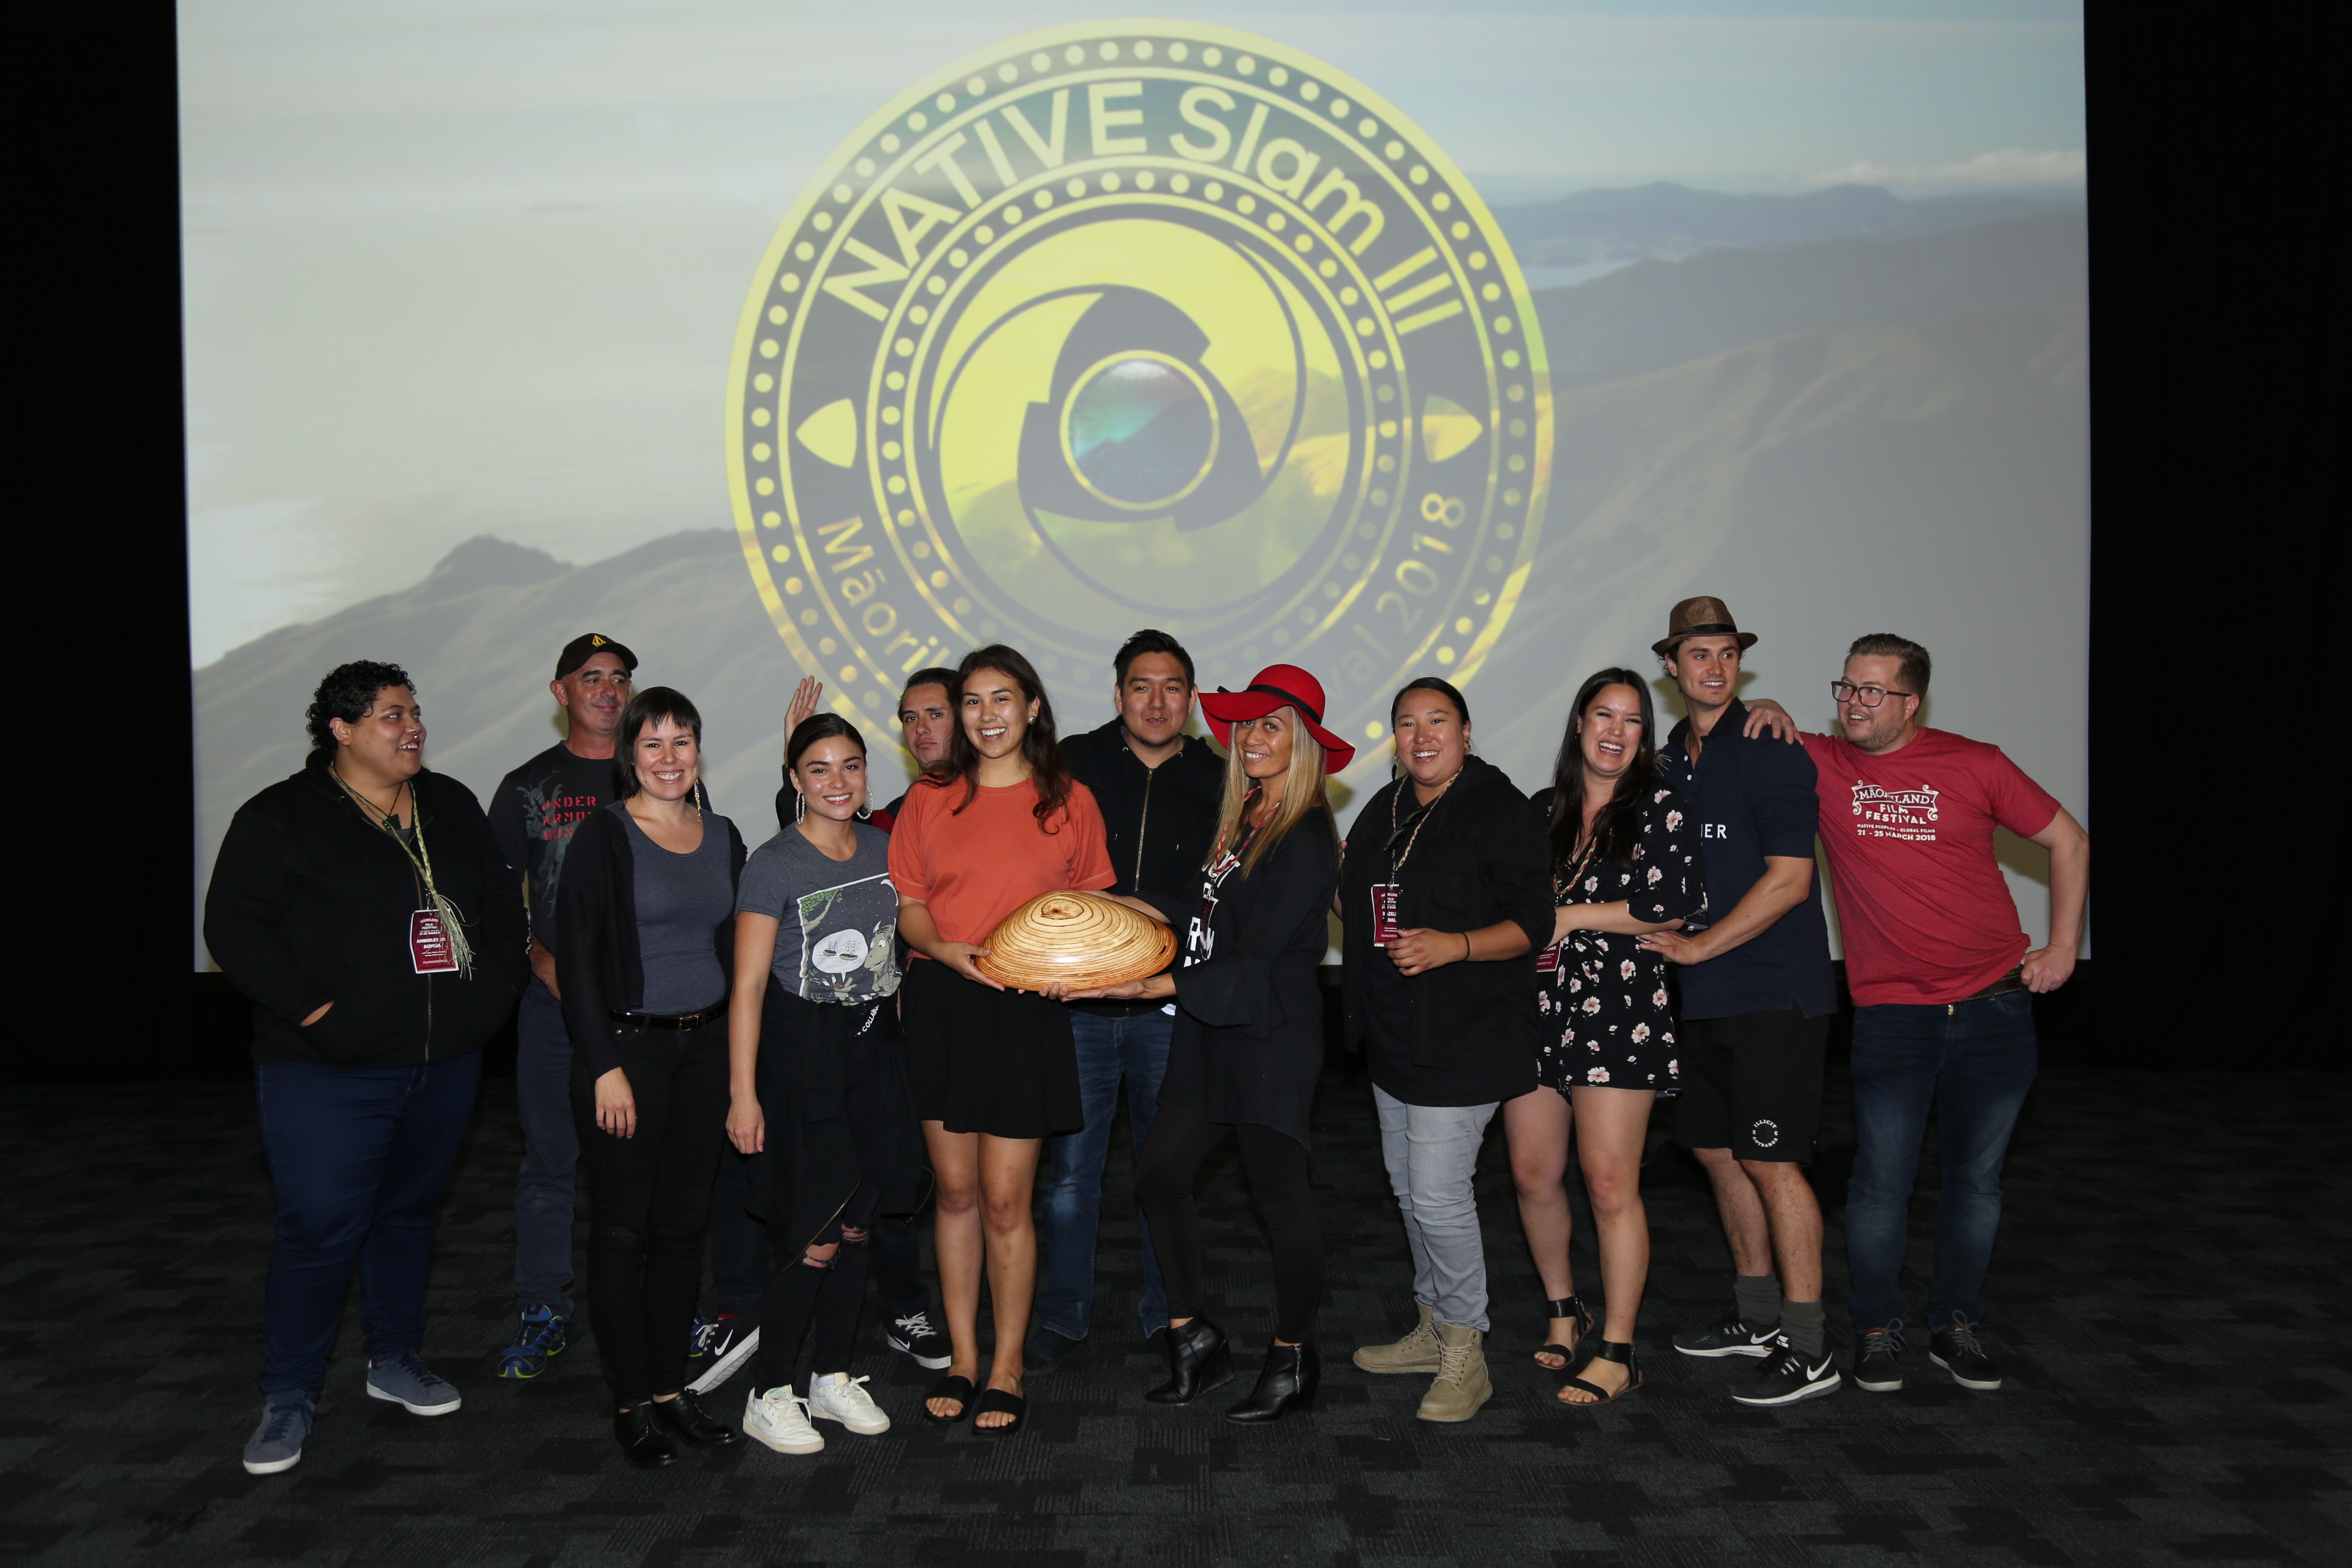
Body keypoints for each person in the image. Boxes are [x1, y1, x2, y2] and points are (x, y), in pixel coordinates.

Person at [206, 661, 526, 1476]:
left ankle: (394, 1361)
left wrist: (485, 1006)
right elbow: (234, 926)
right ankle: (288, 1395)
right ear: (341, 732)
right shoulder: (281, 817)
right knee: (318, 1230)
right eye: (391, 715)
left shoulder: (448, 802)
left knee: (408, 1218)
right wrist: (319, 1015)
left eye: (415, 712)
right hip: (326, 1071)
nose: (412, 726)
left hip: (443, 1064)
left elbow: (495, 904)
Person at [1761, 635, 2088, 1394]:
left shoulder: (1976, 763)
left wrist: (2064, 945)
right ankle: (1876, 1329)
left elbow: (2068, 841)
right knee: (1880, 1183)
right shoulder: (1821, 762)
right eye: (1846, 687)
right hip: (1894, 1015)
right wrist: (1765, 708)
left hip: (1994, 1006)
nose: (1854, 702)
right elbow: (1743, 732)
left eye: (1873, 692)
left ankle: (1956, 1323)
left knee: (1976, 1180)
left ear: (1913, 702)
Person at [1070, 664, 1347, 1422]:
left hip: (1268, 1038)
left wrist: (1151, 986)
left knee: (1281, 1202)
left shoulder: (1308, 835)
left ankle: (1293, 1353)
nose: (1253, 738)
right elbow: (1206, 913)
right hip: (1209, 1029)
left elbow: (1254, 956)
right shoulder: (1246, 812)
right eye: (1247, 724)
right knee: (1159, 1176)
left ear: (1304, 744)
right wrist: (1132, 904)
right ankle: (1193, 1336)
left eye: (1272, 725)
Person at [888, 646, 1117, 1434]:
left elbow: (1094, 907)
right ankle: (961, 1355)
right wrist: (946, 950)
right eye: (973, 701)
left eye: (1002, 699)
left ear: (1033, 708)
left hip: (1026, 1011)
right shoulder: (929, 799)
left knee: (1006, 1197)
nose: (987, 716)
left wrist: (1073, 970)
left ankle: (1009, 1363)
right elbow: (910, 907)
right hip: (944, 1000)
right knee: (952, 1194)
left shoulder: (1069, 799)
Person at [707, 672, 953, 1384]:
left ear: (868, 773)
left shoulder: (887, 852)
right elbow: (749, 986)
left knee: (856, 1228)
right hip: (800, 1064)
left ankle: (833, 1377)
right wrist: (743, 1095)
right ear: (795, 779)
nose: (837, 780)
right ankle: (772, 1389)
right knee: (812, 1233)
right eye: (818, 768)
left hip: (874, 1061)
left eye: (850, 765)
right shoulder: (773, 863)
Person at [1635, 599, 1844, 1406]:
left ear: (1738, 663)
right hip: (1705, 999)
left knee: (1772, 1160)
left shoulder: (1770, 749)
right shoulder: (1669, 762)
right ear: (1673, 667)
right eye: (1699, 655)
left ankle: (1810, 1344)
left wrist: (1696, 945)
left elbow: (1790, 881)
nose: (1714, 668)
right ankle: (1756, 1316)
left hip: (1772, 993)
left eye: (1726, 654)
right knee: (1720, 1154)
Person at [1340, 677, 1552, 1423]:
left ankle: (1468, 1345)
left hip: (1466, 1034)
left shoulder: (1502, 808)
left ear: (1466, 730)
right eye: (1406, 723)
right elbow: (1359, 893)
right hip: (1396, 1032)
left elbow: (1535, 922)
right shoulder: (1388, 803)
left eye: (1437, 721)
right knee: (1408, 1189)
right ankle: (1433, 1325)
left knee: (1438, 1193)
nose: (1421, 735)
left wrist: (1455, 945)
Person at [554, 687, 747, 1466]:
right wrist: (604, 1066)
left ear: (699, 750)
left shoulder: (724, 833)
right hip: (626, 1055)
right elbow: (578, 963)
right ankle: (630, 1398)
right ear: (630, 753)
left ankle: (671, 1389)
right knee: (624, 1231)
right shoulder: (603, 837)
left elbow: (738, 944)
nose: (670, 759)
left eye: (683, 742)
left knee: (679, 1231)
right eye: (654, 744)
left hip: (703, 1050)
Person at [1507, 669, 1704, 1408]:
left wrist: (1572, 916)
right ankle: (1565, 1310)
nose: (1616, 730)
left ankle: (1619, 1349)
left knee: (1611, 1182)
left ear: (1644, 736)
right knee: (1532, 1172)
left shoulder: (1661, 806)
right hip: (1538, 1009)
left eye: (1632, 719)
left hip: (1621, 1011)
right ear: (1579, 723)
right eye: (1603, 714)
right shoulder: (1542, 810)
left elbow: (1671, 904)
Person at [1030, 630, 1225, 1375]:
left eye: (1172, 686)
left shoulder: (1221, 776)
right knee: (1072, 1175)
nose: (1156, 700)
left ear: (1192, 698)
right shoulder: (1070, 764)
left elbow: (1225, 889)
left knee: (1164, 1170)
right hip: (1077, 1001)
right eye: (1141, 686)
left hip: (1170, 1003)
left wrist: (1147, 905)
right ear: (1117, 695)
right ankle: (1063, 1317)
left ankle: (1165, 1314)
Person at [485, 633, 638, 1381]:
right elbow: (485, 901)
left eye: (618, 679)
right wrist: (536, 956)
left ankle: (642, 1301)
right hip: (552, 1009)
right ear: (562, 693)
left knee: (643, 1161)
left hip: (639, 1008)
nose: (607, 689)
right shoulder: (527, 785)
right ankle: (542, 1308)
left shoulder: (659, 772)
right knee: (550, 1164)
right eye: (591, 678)